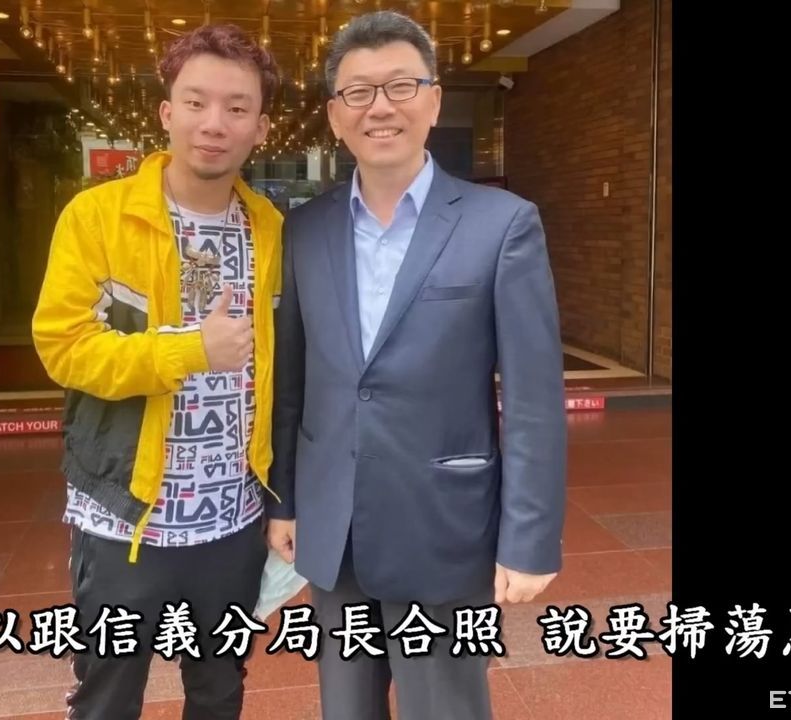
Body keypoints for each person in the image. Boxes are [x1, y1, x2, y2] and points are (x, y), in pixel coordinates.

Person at [265, 10, 567, 720]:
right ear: (335, 116)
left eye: (401, 86)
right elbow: (295, 381)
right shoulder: (305, 229)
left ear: (433, 101)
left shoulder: (502, 224)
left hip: (445, 524)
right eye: (358, 92)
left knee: (446, 709)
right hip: (334, 525)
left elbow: (532, 399)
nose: (381, 108)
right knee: (347, 709)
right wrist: (287, 501)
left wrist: (530, 538)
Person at [31, 23, 283, 720]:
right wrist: (187, 351)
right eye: (196, 102)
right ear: (167, 112)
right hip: (124, 518)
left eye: (237, 107)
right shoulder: (97, 217)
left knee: (219, 692)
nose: (214, 123)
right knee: (108, 699)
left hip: (233, 518)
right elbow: (63, 347)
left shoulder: (270, 228)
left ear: (261, 128)